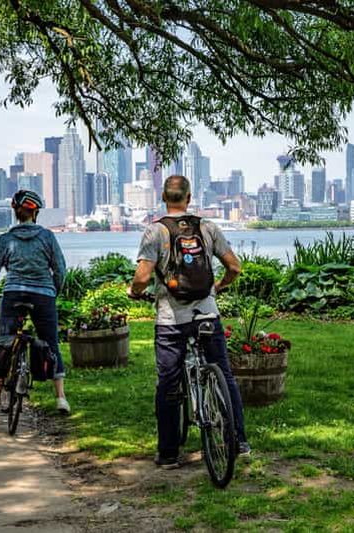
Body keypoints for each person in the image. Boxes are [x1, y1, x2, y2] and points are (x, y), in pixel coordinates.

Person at [129, 175, 250, 469]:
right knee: (224, 373)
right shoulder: (207, 227)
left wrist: (134, 292)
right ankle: (239, 441)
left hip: (172, 320)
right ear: (189, 197)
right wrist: (218, 287)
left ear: (163, 198)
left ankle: (169, 453)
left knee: (168, 382)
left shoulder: (155, 231)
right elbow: (235, 267)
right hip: (207, 313)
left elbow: (143, 277)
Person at [0, 189, 70, 415]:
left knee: (3, 343)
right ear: (35, 213)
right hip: (43, 296)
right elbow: (60, 269)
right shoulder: (47, 237)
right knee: (51, 342)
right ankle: (60, 398)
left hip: (13, 294)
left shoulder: (6, 239)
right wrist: (53, 291)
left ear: (15, 212)